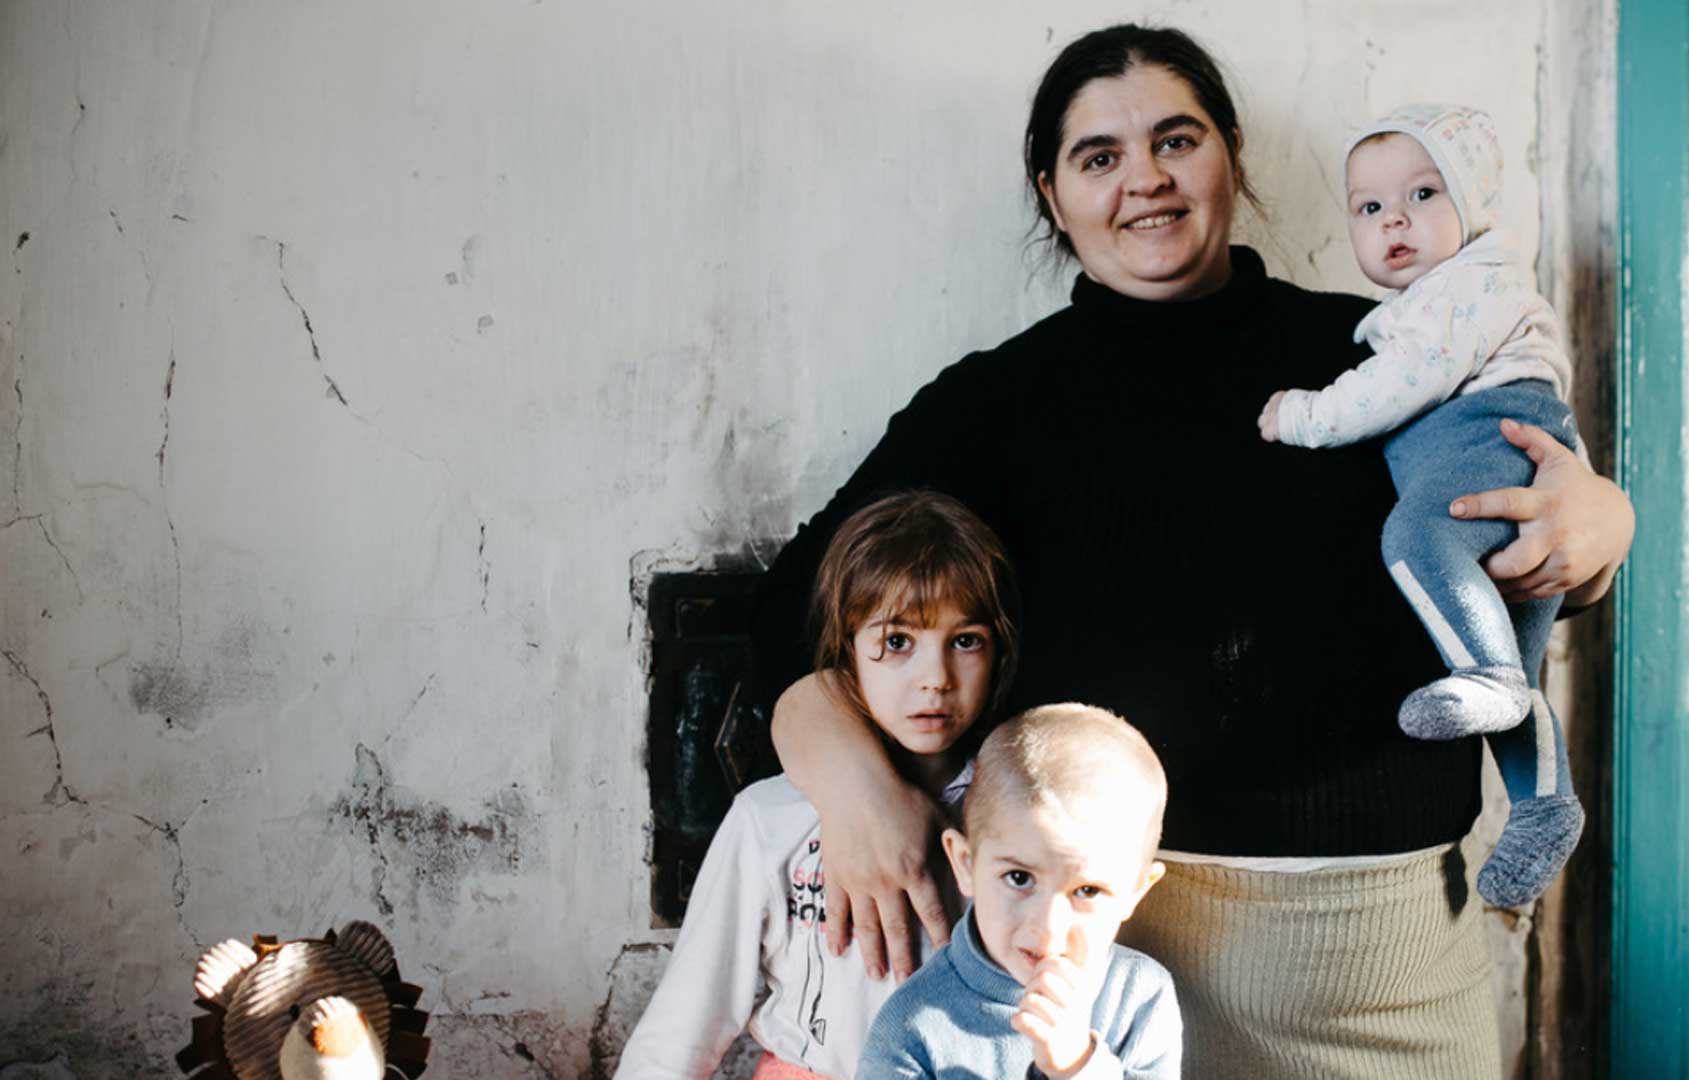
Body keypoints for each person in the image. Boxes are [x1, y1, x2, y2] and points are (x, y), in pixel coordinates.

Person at [752, 23, 1634, 1075]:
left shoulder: (1389, 346)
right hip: (1107, 984)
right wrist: (853, 783)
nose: (1147, 181)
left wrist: (1605, 528)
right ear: (1050, 192)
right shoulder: (997, 402)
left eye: (1179, 140)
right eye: (1100, 157)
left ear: (1231, 157)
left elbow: (1523, 528)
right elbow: (785, 609)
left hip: (1395, 971)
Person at [1255, 104, 1585, 908]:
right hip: (1508, 447)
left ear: (1475, 204)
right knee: (1519, 667)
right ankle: (1544, 805)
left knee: (1414, 538)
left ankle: (1486, 674)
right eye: (1369, 208)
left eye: (1425, 194)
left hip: (1489, 437)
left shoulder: (1459, 294)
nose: (1394, 219)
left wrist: (1300, 415)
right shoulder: (1441, 298)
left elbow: (1396, 387)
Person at [616, 491, 1020, 1080]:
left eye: (965, 641)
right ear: (847, 649)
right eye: (898, 641)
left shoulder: (1017, 814)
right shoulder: (769, 818)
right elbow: (683, 1026)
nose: (935, 679)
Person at [857, 704, 1179, 1080]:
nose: (1047, 928)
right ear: (965, 864)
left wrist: (1078, 1066)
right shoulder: (911, 1028)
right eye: (1019, 878)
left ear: (1135, 894)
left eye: (1088, 891)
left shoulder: (1139, 996)